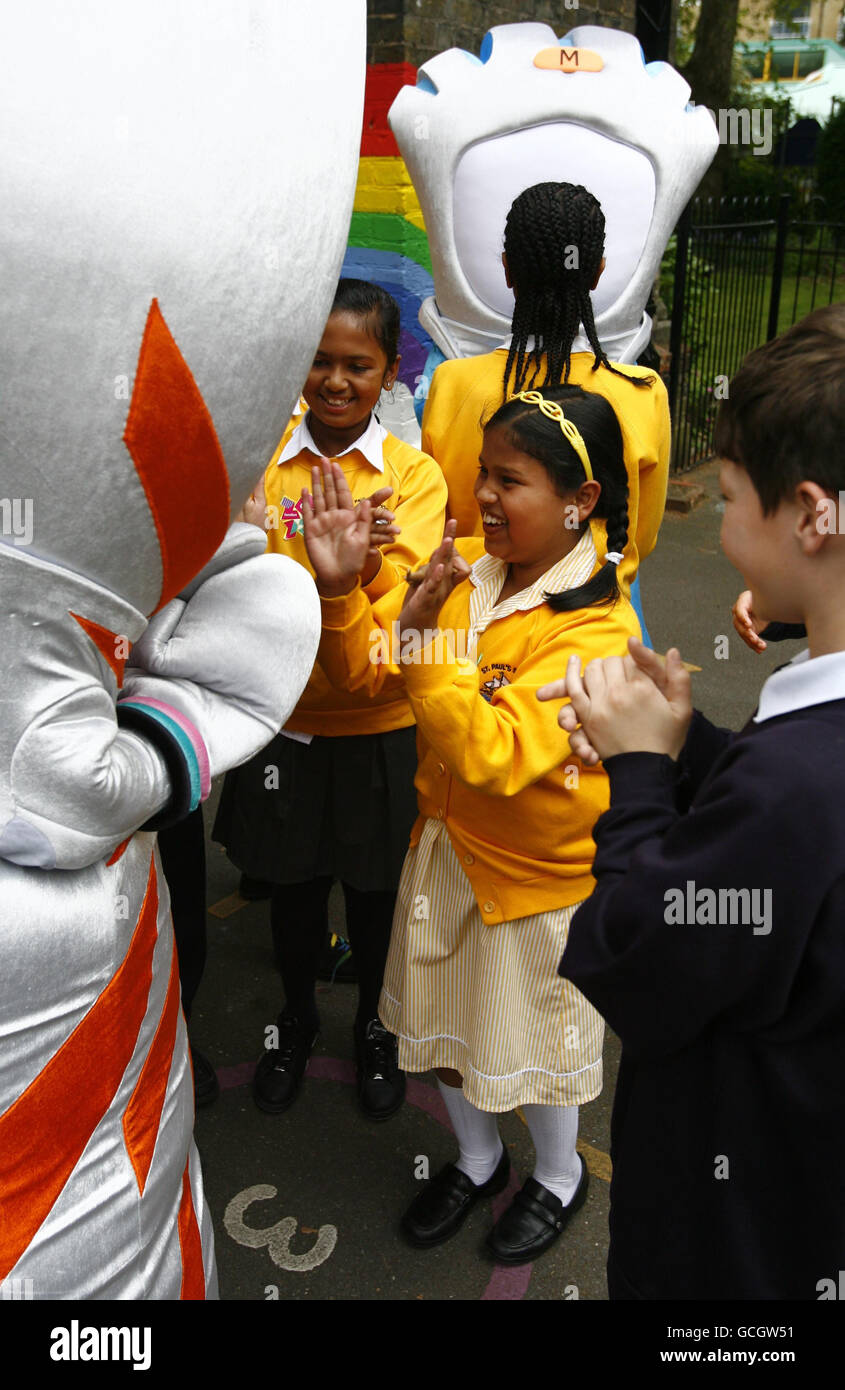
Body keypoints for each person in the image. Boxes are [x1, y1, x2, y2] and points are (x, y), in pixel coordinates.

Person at [540, 305, 845, 1298]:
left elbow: (637, 951)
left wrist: (633, 776)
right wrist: (686, 750)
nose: (717, 528)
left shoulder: (795, 784)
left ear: (808, 514)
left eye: (724, 498)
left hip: (735, 1240)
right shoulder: (796, 765)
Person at [303, 385, 641, 1264]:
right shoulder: (465, 574)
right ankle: (478, 1160)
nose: (483, 496)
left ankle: (559, 1176)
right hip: (444, 854)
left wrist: (420, 649)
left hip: (532, 883)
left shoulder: (594, 632)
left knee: (531, 1049)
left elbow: (490, 753)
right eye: (481, 474)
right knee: (444, 1029)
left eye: (511, 481)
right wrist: (344, 587)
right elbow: (361, 677)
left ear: (580, 501)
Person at [213, 279, 447, 1122]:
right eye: (318, 360)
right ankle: (297, 1020)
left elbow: (394, 624)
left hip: (380, 727)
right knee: (291, 883)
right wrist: (259, 543)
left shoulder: (413, 480)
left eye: (358, 363)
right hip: (284, 722)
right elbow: (242, 585)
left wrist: (347, 569)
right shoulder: (262, 460)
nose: (335, 380)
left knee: (378, 891)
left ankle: (377, 1032)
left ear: (390, 373)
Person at [421, 181, 669, 636]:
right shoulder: (642, 392)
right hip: (595, 625)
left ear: (507, 270)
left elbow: (437, 523)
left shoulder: (452, 385)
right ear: (597, 272)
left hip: (471, 626)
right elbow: (641, 538)